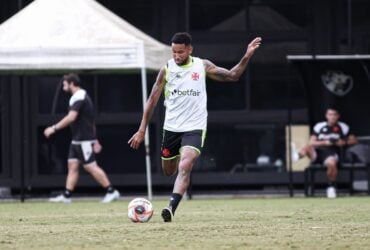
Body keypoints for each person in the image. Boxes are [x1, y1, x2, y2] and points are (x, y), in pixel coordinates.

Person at [128, 32, 262, 221]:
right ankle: (174, 179)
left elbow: (233, 75)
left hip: (195, 127)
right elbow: (152, 100)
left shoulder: (202, 65)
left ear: (190, 49)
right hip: (172, 128)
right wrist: (142, 129)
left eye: (180, 52)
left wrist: (247, 55)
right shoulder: (167, 70)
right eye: (174, 52)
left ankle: (171, 208)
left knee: (185, 165)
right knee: (169, 170)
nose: (176, 56)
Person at [44, 73, 120, 203]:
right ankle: (67, 196)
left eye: (65, 84)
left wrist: (54, 128)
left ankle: (111, 191)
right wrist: (95, 139)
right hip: (77, 139)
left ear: (72, 83)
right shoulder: (78, 96)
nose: (63, 87)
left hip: (83, 139)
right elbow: (91, 121)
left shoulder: (79, 96)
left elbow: (71, 117)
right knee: (72, 165)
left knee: (90, 166)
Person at [291, 107, 358, 198]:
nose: (332, 117)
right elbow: (311, 142)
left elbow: (354, 140)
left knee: (331, 163)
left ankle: (331, 187)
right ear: (326, 116)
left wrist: (343, 142)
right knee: (308, 146)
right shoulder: (320, 126)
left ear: (338, 116)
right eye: (330, 114)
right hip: (318, 153)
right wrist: (325, 142)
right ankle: (298, 156)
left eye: (334, 114)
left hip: (332, 153)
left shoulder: (343, 127)